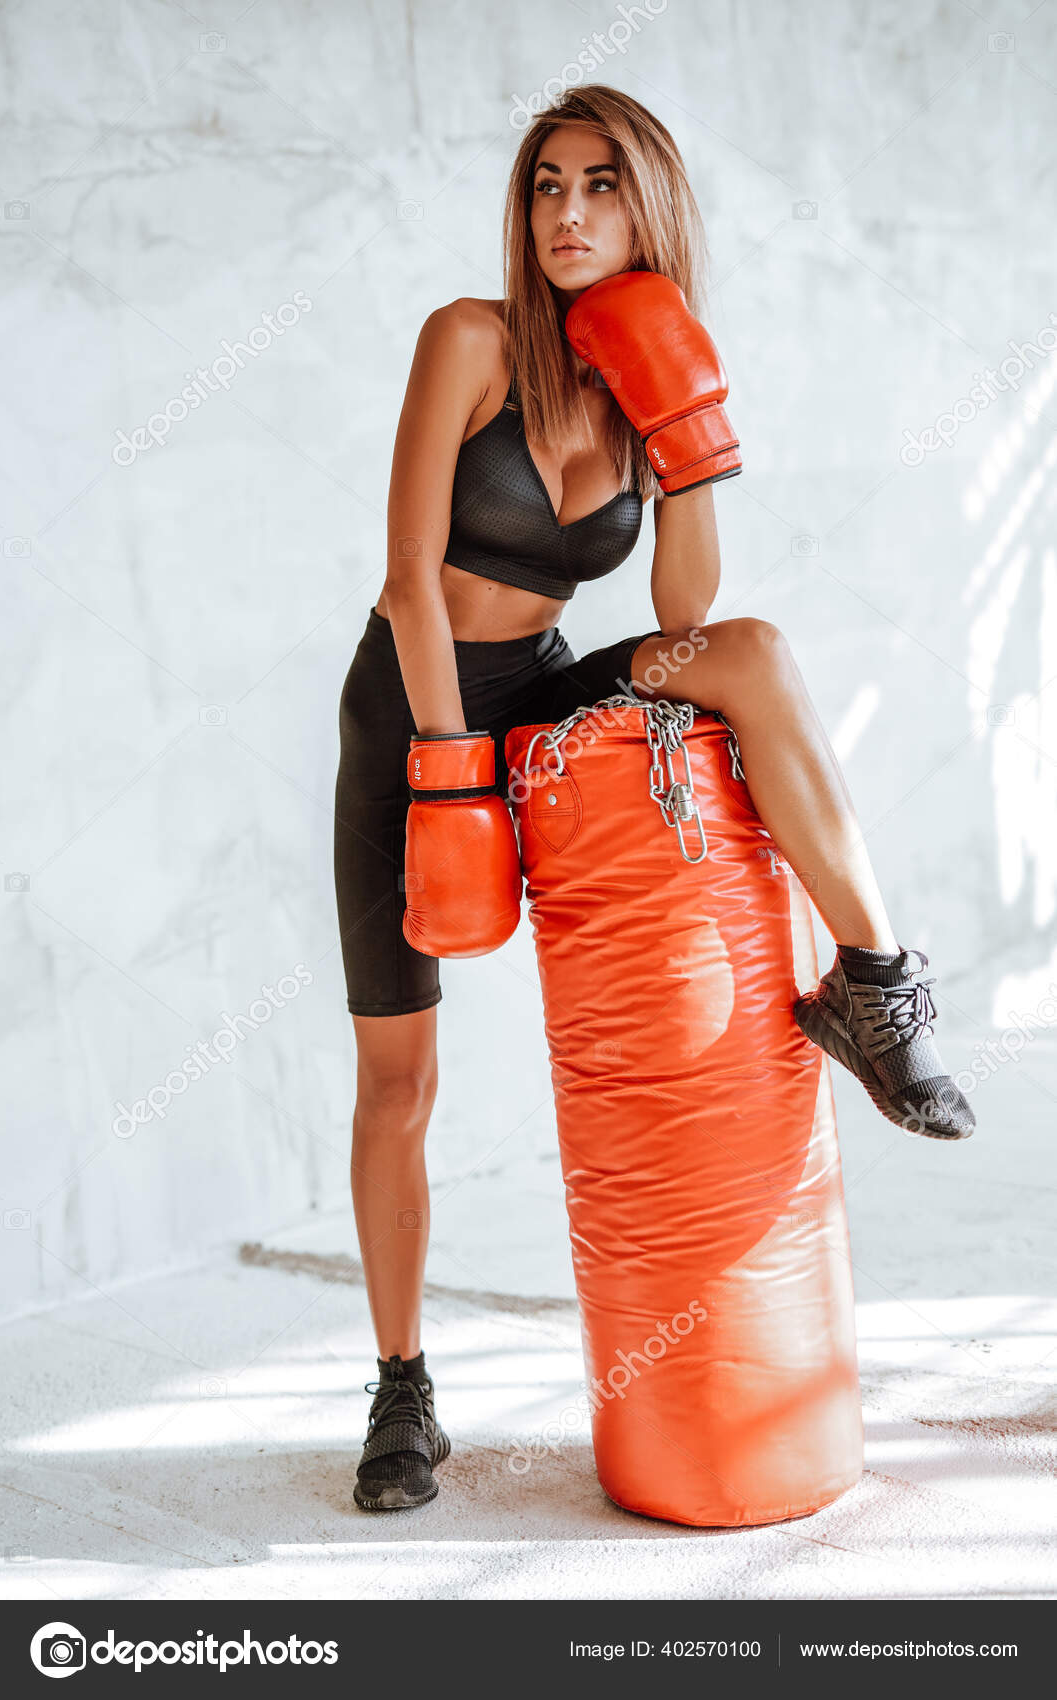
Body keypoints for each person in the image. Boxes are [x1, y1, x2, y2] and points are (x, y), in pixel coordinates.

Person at [333, 84, 973, 1513]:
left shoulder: (644, 367)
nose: (566, 215)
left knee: (751, 657)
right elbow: (404, 585)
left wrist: (686, 426)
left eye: (600, 188)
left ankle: (873, 980)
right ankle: (401, 1391)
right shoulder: (472, 339)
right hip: (415, 705)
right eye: (547, 186)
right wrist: (447, 775)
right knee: (401, 1080)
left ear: (649, 210)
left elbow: (686, 604)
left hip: (549, 682)